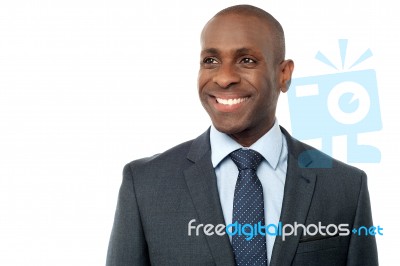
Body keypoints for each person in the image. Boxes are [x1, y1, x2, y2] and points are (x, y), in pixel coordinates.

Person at [106, 4, 378, 266]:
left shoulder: (345, 187)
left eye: (246, 60)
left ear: (284, 75)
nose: (224, 78)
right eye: (210, 60)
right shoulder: (144, 185)